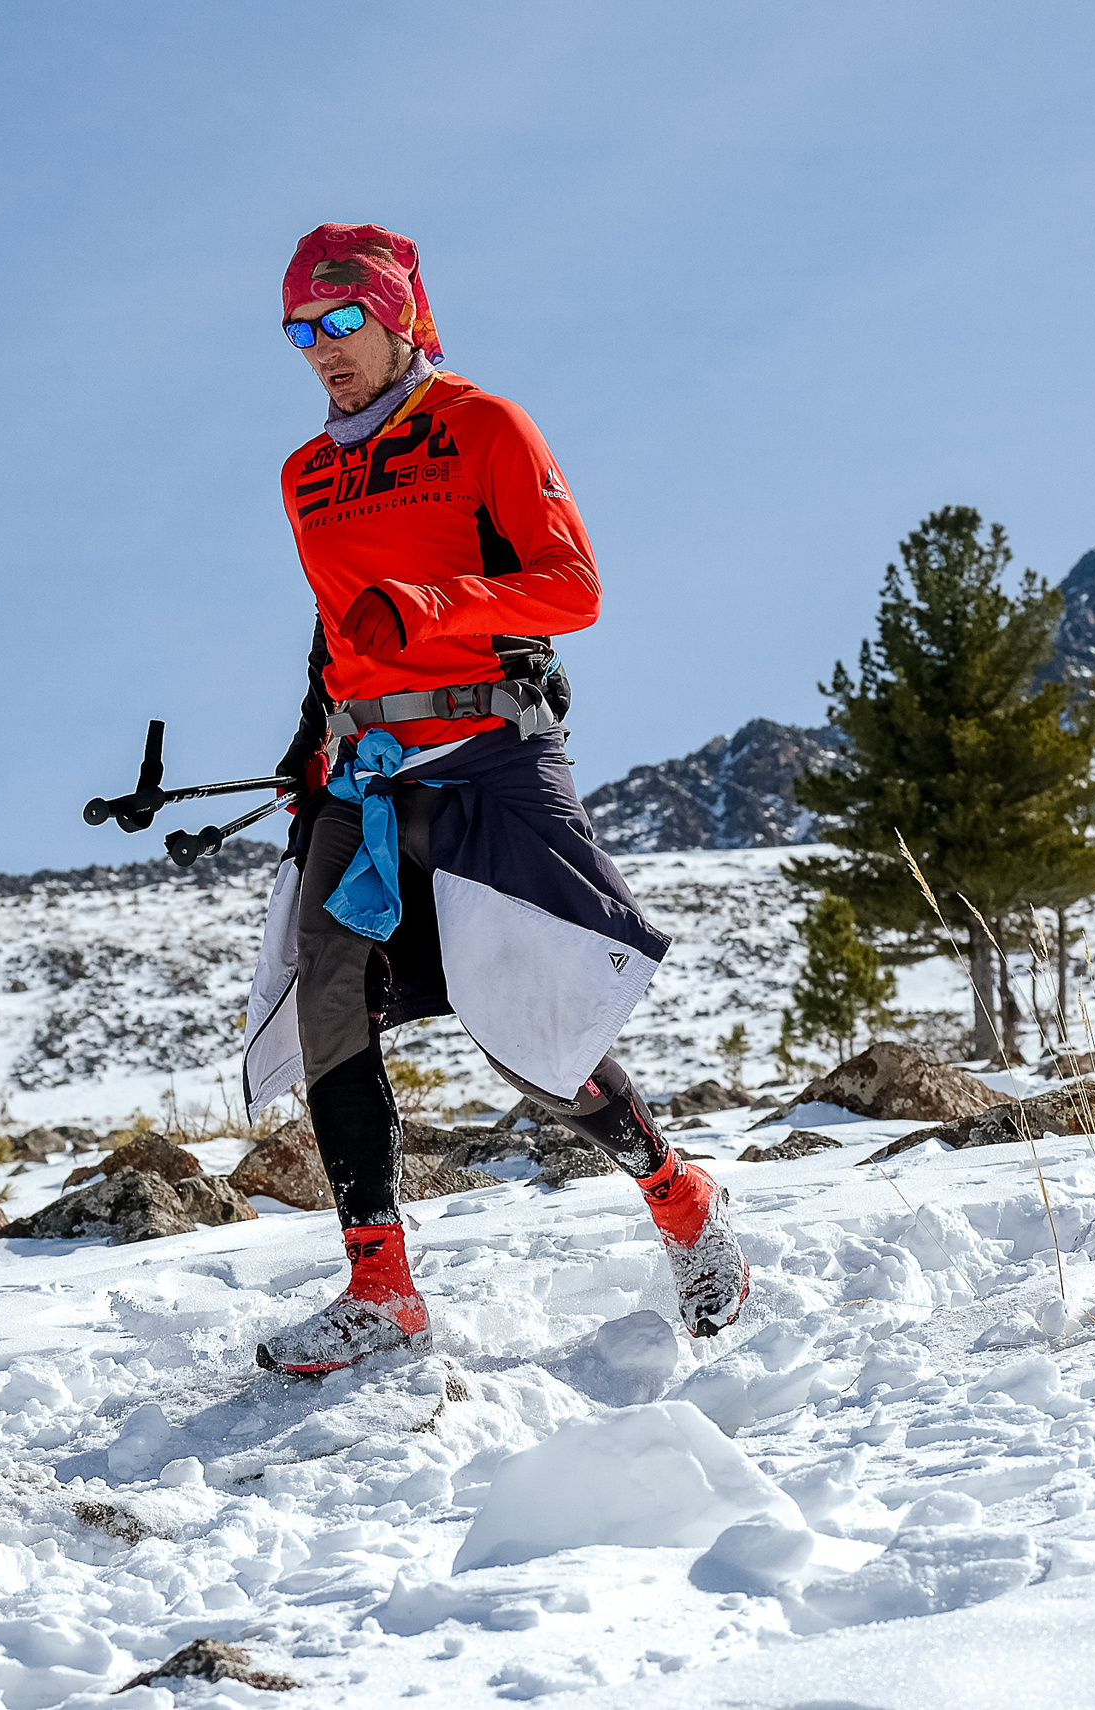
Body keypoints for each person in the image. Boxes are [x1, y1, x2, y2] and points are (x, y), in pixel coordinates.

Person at [240, 222, 749, 1376]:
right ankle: (381, 1286)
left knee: (529, 1036)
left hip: (488, 755)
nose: (322, 349)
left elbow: (571, 587)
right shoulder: (307, 475)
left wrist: (425, 606)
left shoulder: (482, 426)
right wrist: (299, 752)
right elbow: (332, 633)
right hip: (360, 774)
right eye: (298, 331)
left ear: (398, 317)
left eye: (341, 322)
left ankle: (680, 1201)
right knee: (328, 997)